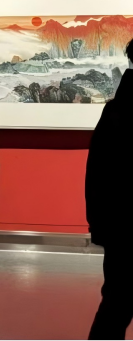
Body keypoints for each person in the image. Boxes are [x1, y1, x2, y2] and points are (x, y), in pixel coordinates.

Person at [86, 38, 133, 340]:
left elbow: (96, 174)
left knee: (116, 304)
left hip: (120, 230)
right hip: (122, 229)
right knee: (117, 304)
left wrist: (100, 226)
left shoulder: (116, 110)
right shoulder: (117, 112)